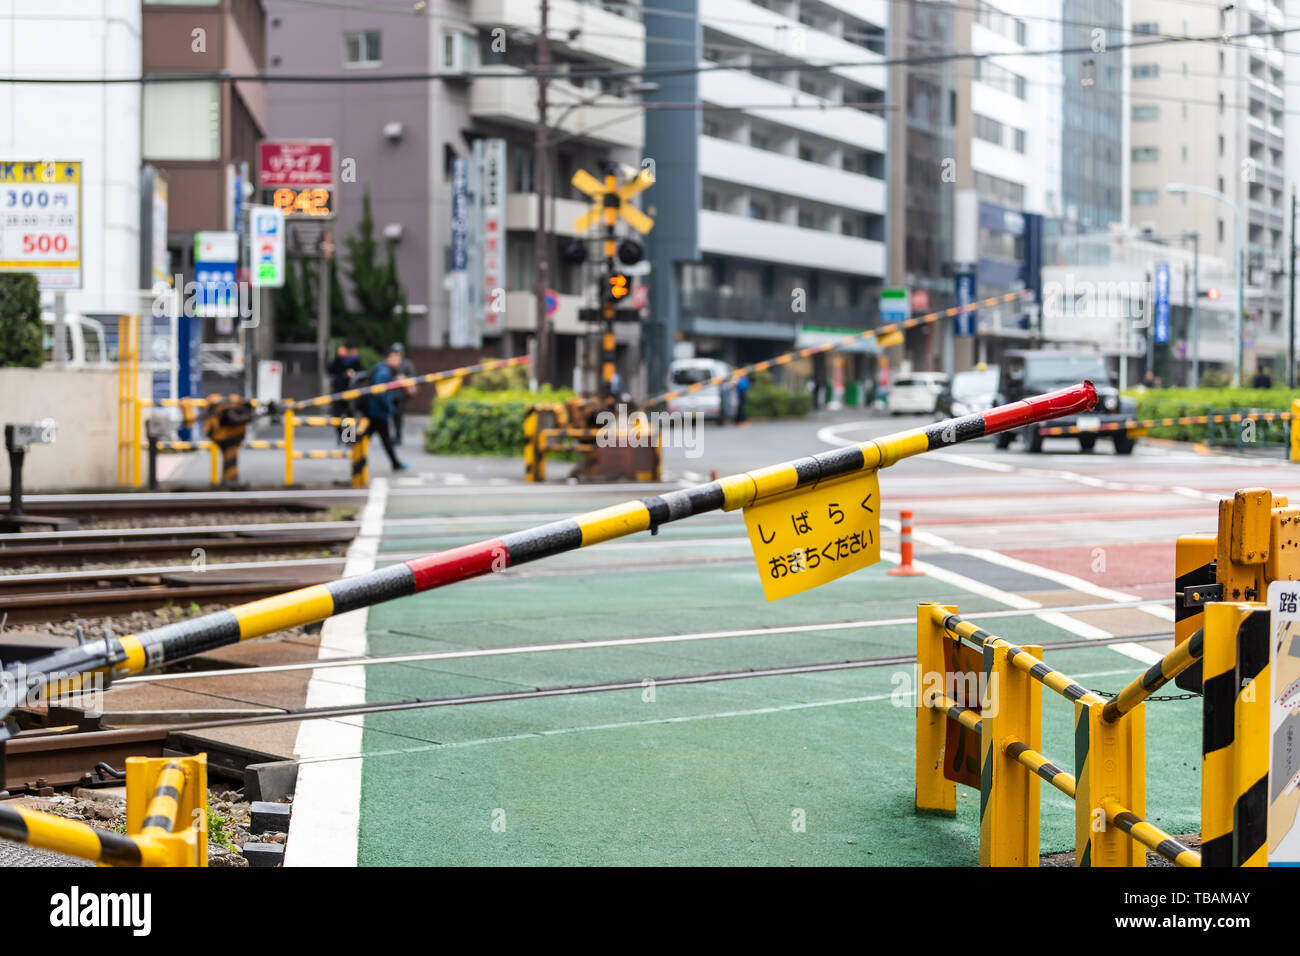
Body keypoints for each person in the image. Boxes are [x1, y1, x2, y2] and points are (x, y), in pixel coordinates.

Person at [361, 348, 409, 471]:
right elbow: (379, 393)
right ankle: (357, 461)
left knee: (383, 439)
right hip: (376, 412)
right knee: (369, 438)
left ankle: (395, 463)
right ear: (388, 358)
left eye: (399, 358)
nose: (398, 361)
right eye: (395, 358)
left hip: (373, 411)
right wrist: (390, 408)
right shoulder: (384, 373)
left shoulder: (381, 369)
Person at [327, 340, 360, 443]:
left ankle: (349, 439)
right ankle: (341, 437)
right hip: (338, 390)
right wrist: (342, 374)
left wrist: (353, 374)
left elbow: (360, 371)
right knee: (336, 415)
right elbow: (330, 370)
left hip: (350, 390)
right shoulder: (338, 359)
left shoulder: (355, 360)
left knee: (350, 415)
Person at [390, 343, 416, 445]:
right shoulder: (389, 364)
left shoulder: (406, 364)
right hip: (391, 395)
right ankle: (393, 436)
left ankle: (398, 436)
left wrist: (404, 378)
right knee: (391, 416)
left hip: (401, 395)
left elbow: (412, 377)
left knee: (398, 416)